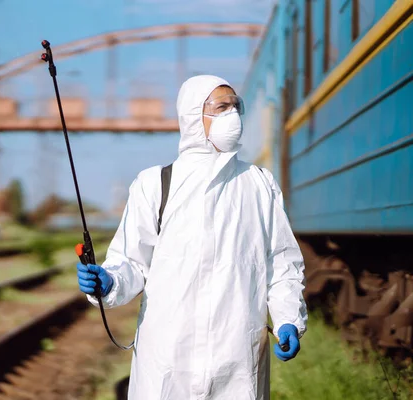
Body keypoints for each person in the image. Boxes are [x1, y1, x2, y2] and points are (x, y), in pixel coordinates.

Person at [76, 75, 308, 400]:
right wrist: (110, 282)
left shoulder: (258, 184)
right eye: (221, 107)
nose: (233, 116)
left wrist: (288, 319)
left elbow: (281, 265)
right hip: (168, 359)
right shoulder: (154, 183)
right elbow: (131, 262)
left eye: (235, 107)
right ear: (192, 116)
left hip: (237, 359)